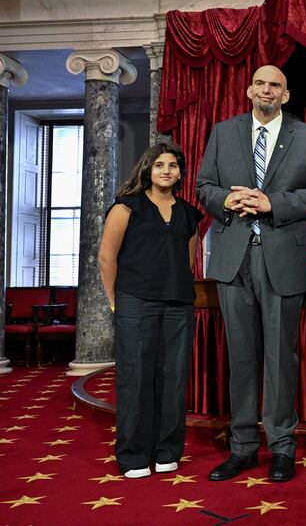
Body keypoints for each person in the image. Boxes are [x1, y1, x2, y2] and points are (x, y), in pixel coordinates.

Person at [196, 65, 306, 483]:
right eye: (260, 83)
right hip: (233, 258)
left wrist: (271, 203)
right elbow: (204, 187)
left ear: (286, 95)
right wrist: (228, 198)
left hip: (282, 260)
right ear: (248, 90)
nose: (266, 90)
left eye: (275, 85)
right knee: (241, 356)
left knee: (280, 357)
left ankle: (282, 448)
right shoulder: (223, 133)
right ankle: (241, 448)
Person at [98, 143, 202, 479]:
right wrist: (116, 300)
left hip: (177, 305)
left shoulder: (189, 213)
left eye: (173, 165)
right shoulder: (126, 208)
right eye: (159, 165)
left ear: (180, 173)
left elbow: (188, 260)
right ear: (148, 169)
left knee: (172, 378)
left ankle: (167, 450)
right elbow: (106, 258)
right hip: (135, 302)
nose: (166, 170)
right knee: (136, 377)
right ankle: (133, 455)